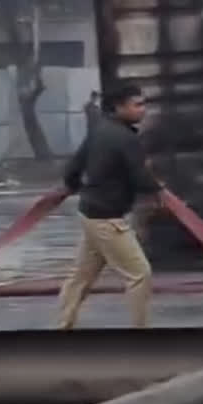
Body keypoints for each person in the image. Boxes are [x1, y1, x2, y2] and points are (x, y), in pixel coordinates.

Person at [57, 83, 164, 329]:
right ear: (119, 107)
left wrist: (72, 186)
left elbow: (73, 167)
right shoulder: (125, 138)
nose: (143, 110)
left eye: (143, 104)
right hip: (107, 218)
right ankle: (140, 332)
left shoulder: (99, 129)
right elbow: (139, 176)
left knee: (81, 277)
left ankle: (63, 326)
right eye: (137, 105)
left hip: (90, 212)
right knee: (140, 274)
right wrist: (158, 189)